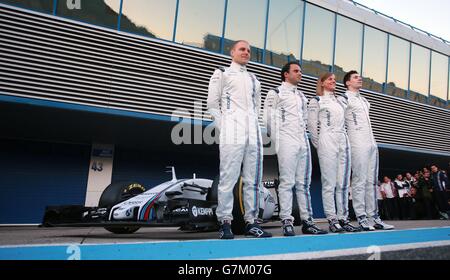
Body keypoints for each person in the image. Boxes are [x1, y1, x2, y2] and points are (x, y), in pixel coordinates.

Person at [207, 40, 271, 239]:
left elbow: (256, 107)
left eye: (249, 51)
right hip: (232, 131)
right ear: (232, 52)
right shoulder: (222, 73)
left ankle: (251, 222)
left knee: (253, 180)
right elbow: (212, 104)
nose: (246, 52)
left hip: (253, 133)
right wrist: (225, 126)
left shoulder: (254, 79)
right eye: (242, 49)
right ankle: (225, 221)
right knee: (228, 178)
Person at [263, 62, 327, 236]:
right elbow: (268, 120)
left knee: (303, 184)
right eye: (296, 71)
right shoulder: (275, 92)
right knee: (287, 182)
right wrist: (280, 140)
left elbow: (305, 119)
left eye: (300, 71)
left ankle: (307, 221)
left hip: (302, 141)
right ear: (286, 74)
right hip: (286, 140)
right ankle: (286, 221)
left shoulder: (301, 95)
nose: (300, 74)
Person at [339, 70, 394, 231]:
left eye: (359, 77)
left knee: (371, 181)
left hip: (371, 144)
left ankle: (374, 217)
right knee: (359, 180)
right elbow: (340, 122)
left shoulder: (364, 101)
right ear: (348, 82)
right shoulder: (344, 98)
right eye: (355, 77)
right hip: (357, 143)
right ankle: (361, 217)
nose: (359, 79)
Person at [308, 72, 360, 233]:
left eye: (335, 80)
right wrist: (320, 144)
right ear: (322, 83)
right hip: (327, 139)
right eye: (330, 79)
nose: (333, 82)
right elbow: (311, 127)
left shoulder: (340, 101)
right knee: (329, 183)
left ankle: (343, 218)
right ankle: (332, 218)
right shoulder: (316, 101)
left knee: (343, 183)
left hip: (342, 139)